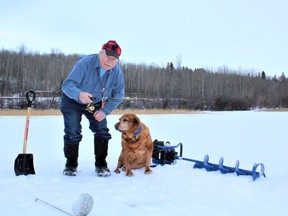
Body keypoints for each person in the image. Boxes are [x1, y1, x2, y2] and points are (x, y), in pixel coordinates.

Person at [60, 40, 125, 177]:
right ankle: (71, 165)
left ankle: (101, 164)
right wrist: (79, 94)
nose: (110, 62)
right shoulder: (85, 63)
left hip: (95, 103)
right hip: (73, 100)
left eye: (114, 59)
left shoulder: (116, 72)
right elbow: (67, 85)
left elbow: (119, 95)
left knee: (102, 130)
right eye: (108, 57)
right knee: (73, 131)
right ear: (101, 53)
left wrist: (104, 111)